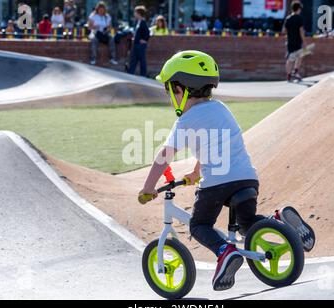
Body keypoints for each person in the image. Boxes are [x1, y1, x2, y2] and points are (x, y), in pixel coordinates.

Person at [137, 50, 260, 291]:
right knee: (249, 225)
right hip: (248, 178)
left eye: (169, 91)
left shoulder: (186, 120)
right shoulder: (221, 108)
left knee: (198, 225)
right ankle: (279, 224)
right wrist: (195, 172)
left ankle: (225, 252)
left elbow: (165, 155)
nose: (170, 97)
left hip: (217, 184)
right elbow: (214, 147)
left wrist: (148, 187)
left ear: (180, 90)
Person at [88, 1, 118, 65]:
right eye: (100, 9)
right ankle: (93, 59)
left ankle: (113, 58)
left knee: (112, 38)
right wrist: (94, 26)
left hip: (104, 33)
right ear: (97, 9)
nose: (101, 11)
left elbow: (110, 27)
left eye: (102, 10)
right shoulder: (93, 16)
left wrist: (107, 29)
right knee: (94, 40)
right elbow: (89, 27)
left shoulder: (107, 16)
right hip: (95, 32)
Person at [282, 1, 306, 81]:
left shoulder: (288, 18)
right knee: (300, 56)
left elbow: (284, 31)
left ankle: (288, 75)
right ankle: (295, 71)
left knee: (290, 58)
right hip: (297, 41)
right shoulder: (299, 18)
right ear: (298, 9)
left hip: (290, 41)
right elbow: (301, 30)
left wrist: (289, 34)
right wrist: (304, 41)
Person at [128, 6, 150, 77]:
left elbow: (147, 33)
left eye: (135, 12)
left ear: (139, 13)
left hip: (140, 45)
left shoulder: (143, 22)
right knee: (133, 60)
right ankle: (130, 74)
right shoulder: (138, 22)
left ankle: (143, 75)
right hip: (136, 44)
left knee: (142, 60)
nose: (134, 14)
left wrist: (144, 40)